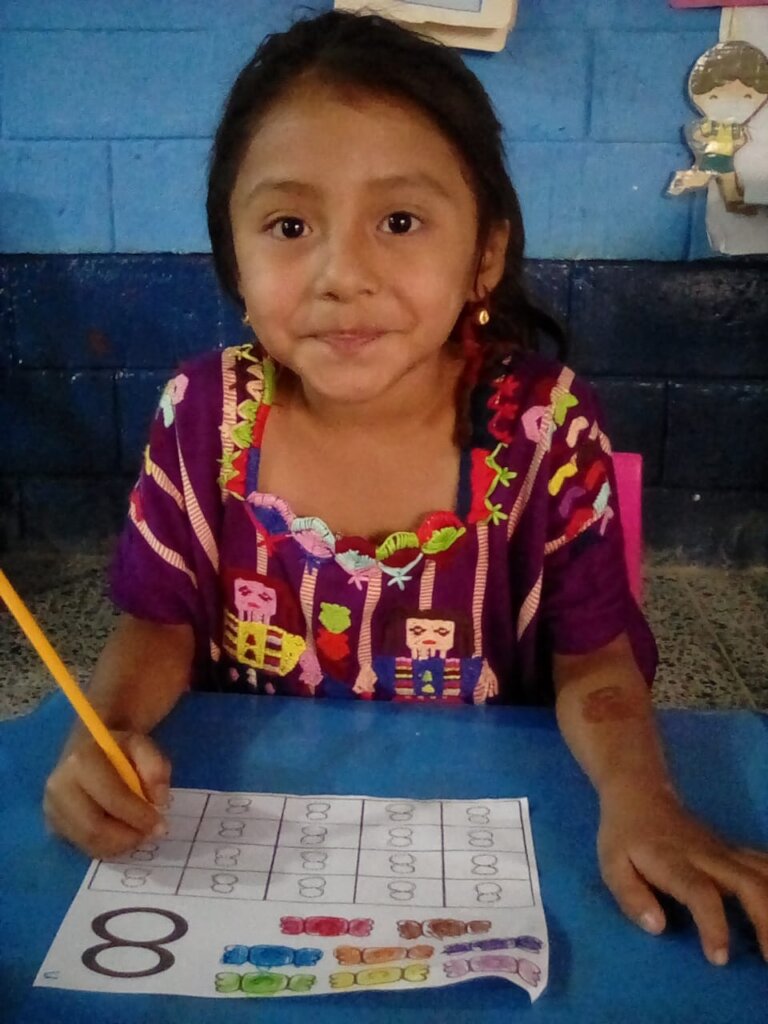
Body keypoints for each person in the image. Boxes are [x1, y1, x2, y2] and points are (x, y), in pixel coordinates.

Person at [44, 10, 767, 967]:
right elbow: (160, 623)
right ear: (234, 260)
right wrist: (107, 736)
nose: (343, 275)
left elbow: (594, 660)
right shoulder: (204, 414)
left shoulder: (545, 428)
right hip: (247, 851)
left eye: (399, 221)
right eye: (290, 226)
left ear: (484, 255)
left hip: (483, 854)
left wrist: (645, 802)